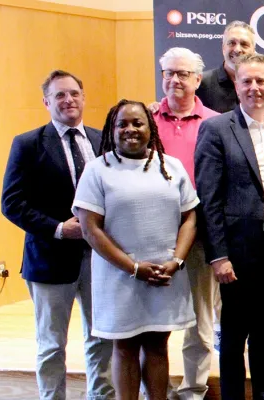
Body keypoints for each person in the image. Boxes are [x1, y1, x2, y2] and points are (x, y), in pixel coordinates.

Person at [73, 99, 199, 400]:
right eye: (122, 124)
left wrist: (177, 260)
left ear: (150, 127)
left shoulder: (171, 166)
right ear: (112, 130)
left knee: (157, 345)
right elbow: (91, 228)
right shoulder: (97, 170)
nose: (130, 129)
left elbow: (190, 217)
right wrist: (132, 267)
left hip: (164, 274)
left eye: (137, 123)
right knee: (125, 346)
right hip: (119, 277)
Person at [1, 70, 114, 400]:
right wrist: (58, 228)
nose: (69, 100)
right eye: (60, 95)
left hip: (99, 259)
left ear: (83, 97)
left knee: (101, 338)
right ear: (47, 102)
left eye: (74, 93)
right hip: (49, 260)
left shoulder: (101, 139)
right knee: (51, 345)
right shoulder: (27, 144)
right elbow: (12, 203)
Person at [195, 52, 264, 400]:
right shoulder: (215, 129)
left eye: (261, 81)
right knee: (236, 331)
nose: (255, 88)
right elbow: (208, 199)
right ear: (236, 87)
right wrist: (218, 256)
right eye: (247, 81)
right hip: (237, 249)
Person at [152, 47, 221, 400]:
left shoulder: (215, 122)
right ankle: (156, 389)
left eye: (182, 74)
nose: (174, 80)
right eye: (168, 73)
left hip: (200, 231)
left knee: (200, 317)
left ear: (197, 80)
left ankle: (193, 389)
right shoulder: (145, 119)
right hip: (153, 233)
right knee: (153, 320)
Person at [198, 21, 256, 113]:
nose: (237, 50)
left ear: (253, 50)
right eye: (232, 43)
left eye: (244, 44)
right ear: (223, 48)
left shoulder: (260, 85)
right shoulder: (201, 84)